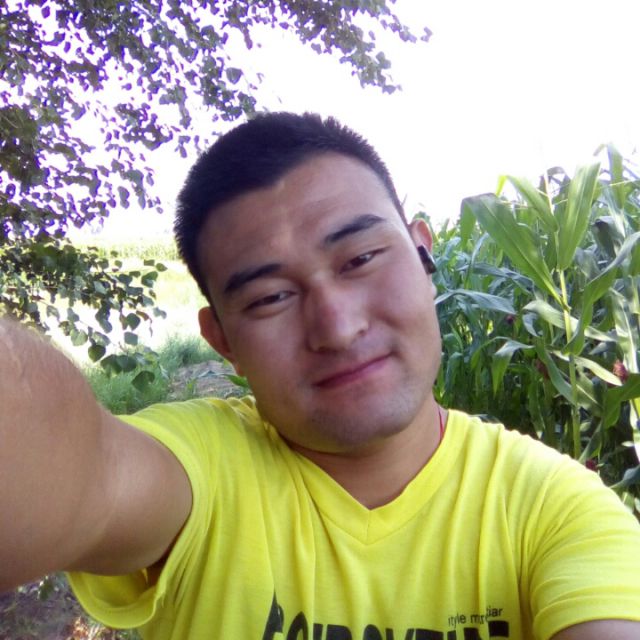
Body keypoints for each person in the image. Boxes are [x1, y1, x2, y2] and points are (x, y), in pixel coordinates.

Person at [1, 112, 639, 640]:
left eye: (360, 258)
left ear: (423, 253)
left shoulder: (555, 510)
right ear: (222, 341)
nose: (337, 327)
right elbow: (71, 469)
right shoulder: (202, 474)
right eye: (270, 298)